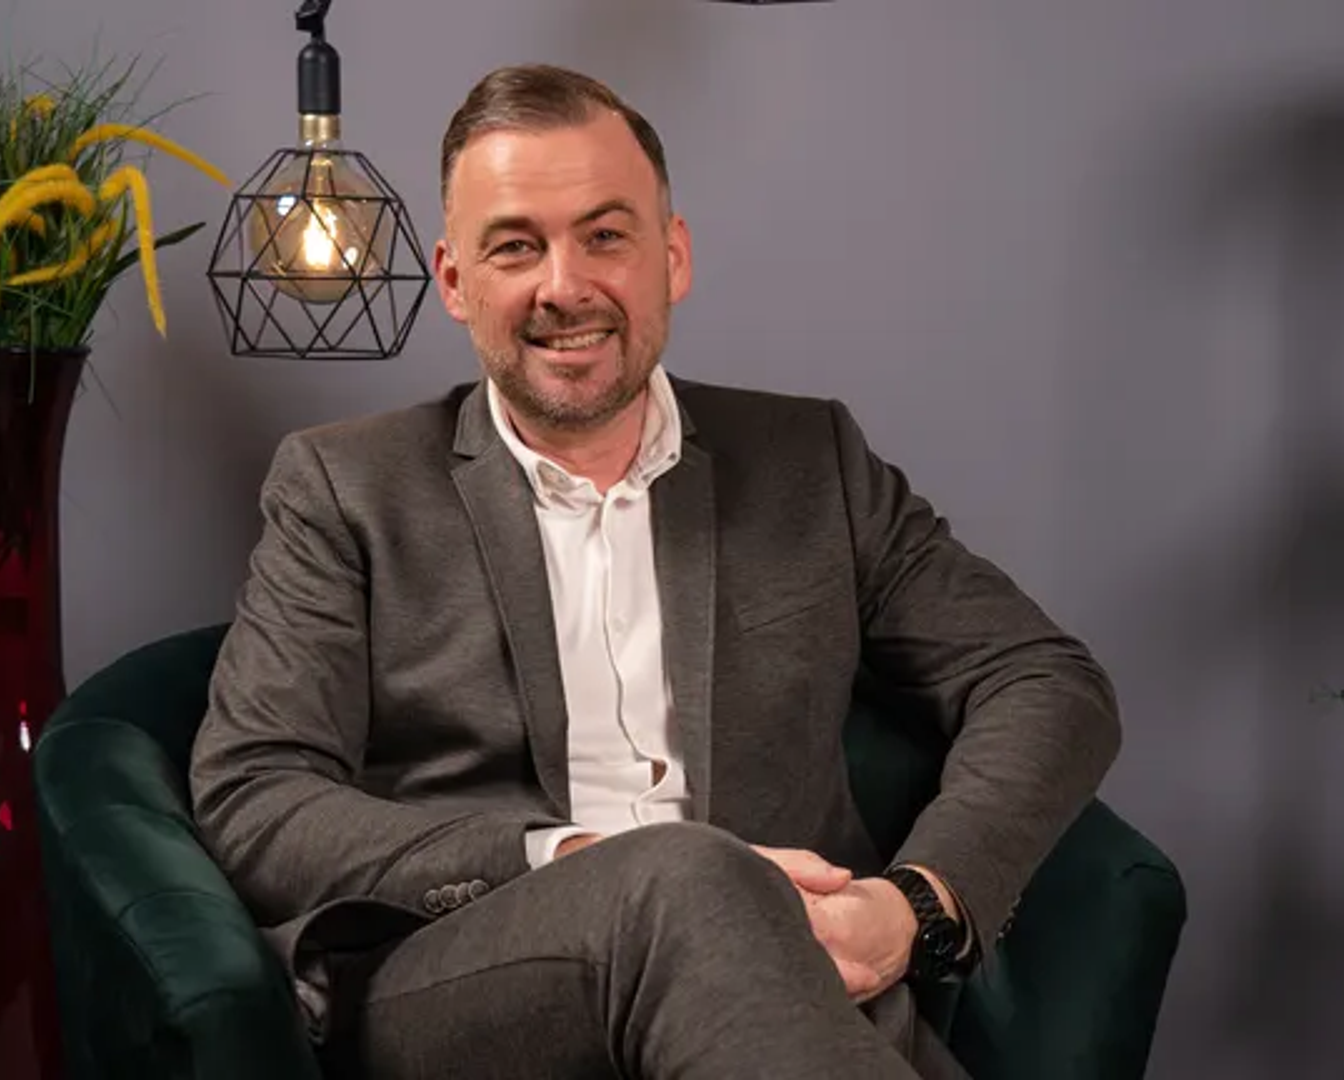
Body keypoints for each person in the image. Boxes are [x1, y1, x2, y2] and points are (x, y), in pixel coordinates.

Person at [188, 62, 1121, 1080]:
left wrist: (914, 908)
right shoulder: (343, 487)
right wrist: (570, 859)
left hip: (792, 989)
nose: (564, 287)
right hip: (467, 984)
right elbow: (255, 794)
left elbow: (1044, 678)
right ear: (454, 281)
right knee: (685, 873)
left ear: (671, 257)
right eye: (516, 246)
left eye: (605, 236)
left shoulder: (811, 463)